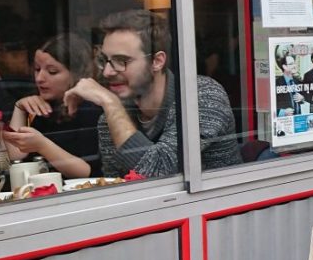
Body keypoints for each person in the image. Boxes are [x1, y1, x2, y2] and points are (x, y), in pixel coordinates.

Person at [64, 10, 240, 177]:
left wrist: (110, 103)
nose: (107, 72)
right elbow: (117, 184)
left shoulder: (201, 94)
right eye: (105, 61)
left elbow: (157, 172)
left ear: (157, 61)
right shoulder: (111, 117)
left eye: (121, 60)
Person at [2, 34, 103, 178]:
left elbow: (88, 172)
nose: (40, 78)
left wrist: (42, 145)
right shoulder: (45, 107)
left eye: (52, 72)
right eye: (37, 69)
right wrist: (19, 109)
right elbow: (16, 156)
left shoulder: (91, 110)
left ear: (76, 74)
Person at [274, 52, 306, 117]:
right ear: (284, 66)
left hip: (299, 120)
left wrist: (303, 98)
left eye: (294, 63)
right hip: (285, 122)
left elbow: (307, 97)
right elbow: (270, 104)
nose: (294, 66)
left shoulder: (299, 81)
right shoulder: (276, 83)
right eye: (291, 64)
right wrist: (283, 112)